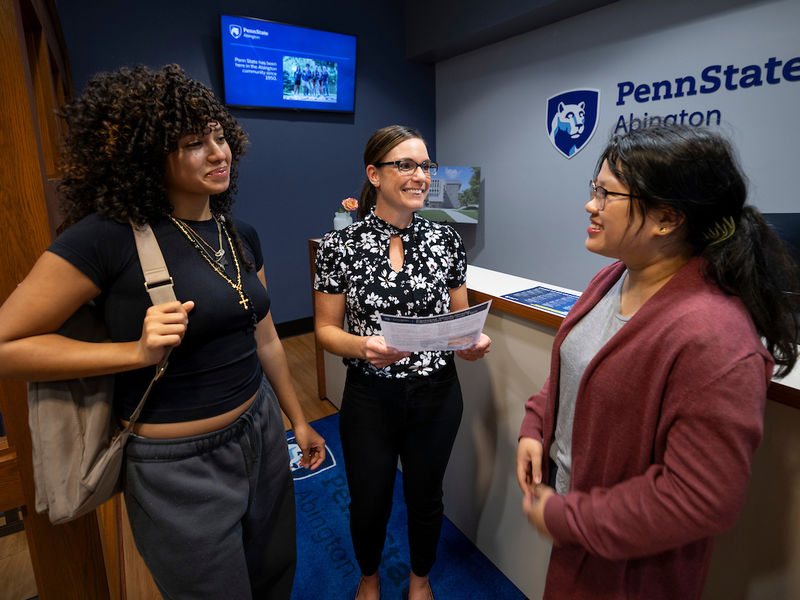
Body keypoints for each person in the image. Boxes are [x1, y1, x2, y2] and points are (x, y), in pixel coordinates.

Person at [0, 64, 326, 600]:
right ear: (147, 153)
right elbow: (10, 347)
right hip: (178, 466)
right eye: (195, 142)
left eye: (220, 137)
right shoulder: (104, 238)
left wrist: (296, 420)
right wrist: (134, 351)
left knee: (275, 574)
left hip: (261, 430)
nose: (218, 153)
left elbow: (264, 335)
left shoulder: (239, 234)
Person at [516, 124, 799, 600]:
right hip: (577, 535)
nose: (591, 205)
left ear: (666, 219)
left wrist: (568, 517)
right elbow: (576, 369)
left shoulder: (715, 337)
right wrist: (536, 425)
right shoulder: (613, 276)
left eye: (606, 194)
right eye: (593, 189)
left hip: (630, 572)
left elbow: (699, 499)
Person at [313, 125, 491, 600]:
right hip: (370, 396)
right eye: (406, 165)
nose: (421, 176)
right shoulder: (340, 246)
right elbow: (326, 331)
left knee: (425, 496)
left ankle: (420, 580)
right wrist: (363, 346)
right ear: (374, 174)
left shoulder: (446, 240)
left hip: (436, 393)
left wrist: (470, 342)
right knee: (368, 500)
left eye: (425, 166)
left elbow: (460, 318)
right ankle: (368, 580)